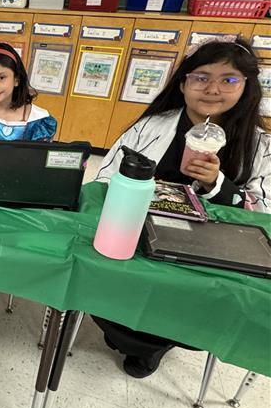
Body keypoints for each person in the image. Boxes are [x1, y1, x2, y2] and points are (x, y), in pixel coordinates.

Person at [93, 37, 270, 378]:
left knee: (187, 304)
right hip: (140, 238)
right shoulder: (152, 126)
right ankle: (125, 333)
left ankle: (152, 345)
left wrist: (218, 185)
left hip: (209, 253)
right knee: (113, 286)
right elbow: (105, 177)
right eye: (201, 77)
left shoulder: (260, 146)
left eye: (228, 79)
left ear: (246, 86)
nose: (213, 89)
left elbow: (263, 217)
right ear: (183, 83)